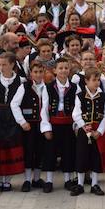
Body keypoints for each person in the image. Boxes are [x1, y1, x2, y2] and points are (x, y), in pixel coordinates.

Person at [0, 51, 26, 191]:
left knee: (10, 146)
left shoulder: (21, 81)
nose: (1, 67)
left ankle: (7, 180)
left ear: (12, 64)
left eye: (4, 64)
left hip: (12, 116)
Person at [71, 68, 105, 196]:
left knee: (96, 156)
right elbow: (76, 114)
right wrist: (84, 126)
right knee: (81, 155)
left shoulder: (103, 96)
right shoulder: (80, 96)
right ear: (86, 81)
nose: (97, 83)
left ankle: (95, 184)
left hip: (97, 130)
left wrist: (99, 131)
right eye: (94, 80)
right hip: (84, 130)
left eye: (98, 80)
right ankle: (80, 184)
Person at [42, 58, 78, 191]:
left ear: (69, 70)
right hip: (54, 124)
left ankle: (68, 180)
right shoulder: (49, 87)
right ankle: (49, 180)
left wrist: (76, 125)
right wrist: (46, 128)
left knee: (68, 151)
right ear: (55, 70)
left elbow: (78, 108)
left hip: (68, 124)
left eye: (66, 68)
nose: (63, 70)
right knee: (50, 152)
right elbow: (44, 109)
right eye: (61, 68)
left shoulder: (74, 87)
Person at [19, 61, 50, 191]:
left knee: (40, 150)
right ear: (30, 73)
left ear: (44, 73)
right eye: (35, 72)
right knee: (28, 151)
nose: (38, 74)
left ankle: (36, 179)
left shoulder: (47, 87)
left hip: (42, 124)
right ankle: (27, 180)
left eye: (40, 72)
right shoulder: (24, 87)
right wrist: (22, 121)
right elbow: (14, 105)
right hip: (29, 125)